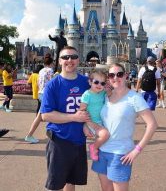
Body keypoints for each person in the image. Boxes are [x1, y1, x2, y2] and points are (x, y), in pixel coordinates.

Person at [92, 63, 157, 191]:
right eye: (111, 75)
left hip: (120, 153)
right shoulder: (105, 96)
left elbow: (152, 124)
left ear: (126, 75)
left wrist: (136, 150)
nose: (115, 78)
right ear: (108, 78)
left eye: (119, 74)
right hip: (101, 150)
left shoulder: (134, 98)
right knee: (105, 188)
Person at [40, 46, 91, 191]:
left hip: (79, 141)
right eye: (65, 57)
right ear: (60, 61)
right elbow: (46, 115)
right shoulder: (53, 85)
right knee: (55, 184)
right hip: (59, 141)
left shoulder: (86, 83)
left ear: (78, 59)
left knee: (71, 182)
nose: (70, 60)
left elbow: (98, 103)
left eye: (74, 57)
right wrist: (74, 117)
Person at [80, 70, 110, 161]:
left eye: (102, 83)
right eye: (96, 82)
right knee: (105, 135)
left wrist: (108, 89)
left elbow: (111, 95)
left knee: (102, 138)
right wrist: (87, 124)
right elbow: (82, 110)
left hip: (101, 121)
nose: (99, 85)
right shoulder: (87, 94)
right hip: (92, 122)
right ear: (90, 82)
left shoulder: (103, 92)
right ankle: (93, 147)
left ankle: (96, 150)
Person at [25, 54, 54, 143]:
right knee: (43, 115)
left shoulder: (41, 71)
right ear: (51, 63)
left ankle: (50, 131)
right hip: (47, 94)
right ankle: (30, 135)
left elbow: (38, 83)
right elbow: (52, 84)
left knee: (44, 115)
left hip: (41, 93)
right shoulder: (50, 70)